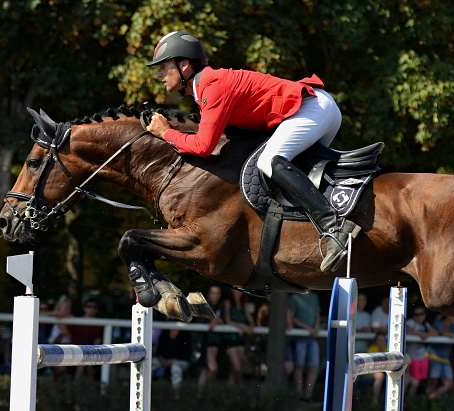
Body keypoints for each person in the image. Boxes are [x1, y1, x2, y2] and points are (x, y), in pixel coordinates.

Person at [144, 31, 358, 273]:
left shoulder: (211, 85)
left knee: (269, 162)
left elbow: (204, 146)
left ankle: (335, 228)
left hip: (312, 108)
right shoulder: (206, 86)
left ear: (183, 65)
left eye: (163, 66)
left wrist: (165, 133)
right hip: (317, 109)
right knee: (291, 180)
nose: (159, 74)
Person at [288, 291, 321, 401]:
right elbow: (291, 317)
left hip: (312, 337)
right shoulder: (294, 298)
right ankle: (299, 395)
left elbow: (317, 315)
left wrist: (315, 328)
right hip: (299, 337)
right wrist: (308, 328)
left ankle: (308, 395)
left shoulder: (314, 297)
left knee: (314, 367)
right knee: (299, 366)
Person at [197, 284, 225, 396]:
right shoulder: (204, 306)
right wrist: (214, 322)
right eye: (213, 293)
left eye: (218, 293)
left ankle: (200, 394)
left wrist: (217, 321)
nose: (216, 295)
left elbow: (224, 320)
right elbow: (202, 323)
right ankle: (208, 392)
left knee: (207, 369)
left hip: (216, 341)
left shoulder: (221, 305)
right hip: (205, 341)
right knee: (212, 368)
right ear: (209, 294)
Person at [427, 314, 454, 398]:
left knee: (449, 385)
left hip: (445, 359)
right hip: (434, 357)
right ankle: (429, 403)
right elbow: (441, 333)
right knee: (433, 382)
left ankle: (433, 397)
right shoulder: (439, 324)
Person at [223, 288, 255, 385]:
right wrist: (242, 326)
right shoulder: (227, 302)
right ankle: (239, 387)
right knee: (237, 367)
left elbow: (251, 320)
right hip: (230, 338)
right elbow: (228, 320)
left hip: (241, 338)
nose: (238, 292)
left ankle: (231, 391)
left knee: (236, 367)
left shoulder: (244, 304)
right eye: (237, 289)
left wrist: (250, 327)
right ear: (232, 290)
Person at [153, 326, 192, 400]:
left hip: (180, 361)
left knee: (175, 368)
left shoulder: (185, 334)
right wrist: (162, 360)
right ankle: (146, 389)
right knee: (150, 364)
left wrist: (171, 361)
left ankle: (176, 394)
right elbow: (159, 351)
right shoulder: (165, 333)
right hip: (163, 360)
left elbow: (186, 355)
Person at [71, 298, 104, 382]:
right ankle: (76, 387)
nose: (92, 309)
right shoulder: (76, 321)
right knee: (84, 361)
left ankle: (89, 388)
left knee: (88, 362)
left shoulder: (101, 324)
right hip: (75, 351)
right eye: (89, 306)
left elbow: (100, 340)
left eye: (95, 307)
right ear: (84, 308)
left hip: (93, 353)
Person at [405, 305, 432, 397]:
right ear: (413, 316)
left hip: (422, 357)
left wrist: (426, 334)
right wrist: (420, 334)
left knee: (417, 382)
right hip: (412, 358)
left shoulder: (426, 324)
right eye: (416, 314)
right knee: (413, 382)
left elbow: (435, 332)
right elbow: (406, 331)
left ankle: (411, 404)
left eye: (421, 314)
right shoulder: (411, 322)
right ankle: (407, 403)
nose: (419, 316)